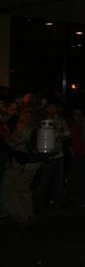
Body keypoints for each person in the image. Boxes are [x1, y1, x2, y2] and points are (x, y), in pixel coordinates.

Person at [1, 94, 43, 230]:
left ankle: (21, 217)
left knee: (8, 186)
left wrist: (5, 134)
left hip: (22, 159)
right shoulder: (39, 115)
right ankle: (29, 215)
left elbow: (18, 137)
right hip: (34, 159)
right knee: (23, 188)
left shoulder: (26, 117)